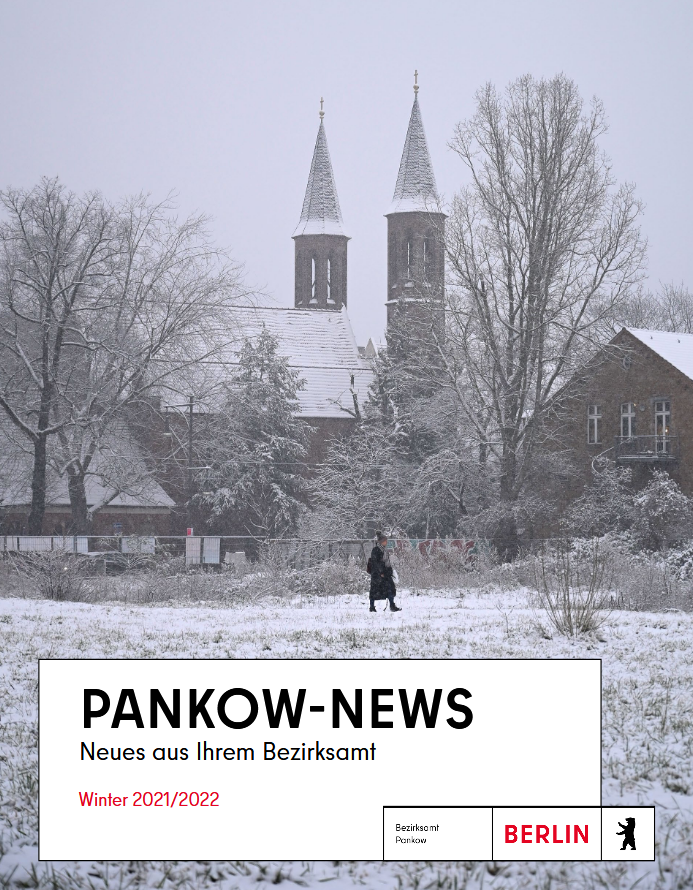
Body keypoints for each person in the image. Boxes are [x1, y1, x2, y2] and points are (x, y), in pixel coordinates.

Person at [369, 531, 401, 612]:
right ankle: (372, 607)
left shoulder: (384, 550)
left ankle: (392, 605)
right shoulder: (376, 550)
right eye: (385, 541)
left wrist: (389, 571)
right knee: (374, 591)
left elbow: (387, 562)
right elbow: (375, 563)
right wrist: (381, 573)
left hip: (386, 573)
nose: (386, 542)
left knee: (390, 588)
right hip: (378, 575)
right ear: (381, 541)